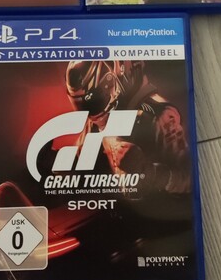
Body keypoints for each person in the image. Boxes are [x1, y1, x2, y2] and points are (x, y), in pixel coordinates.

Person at [65, 60, 191, 195]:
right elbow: (79, 161)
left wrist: (148, 171)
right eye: (83, 106)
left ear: (112, 82)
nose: (92, 115)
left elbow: (188, 180)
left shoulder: (160, 117)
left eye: (93, 102)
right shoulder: (96, 120)